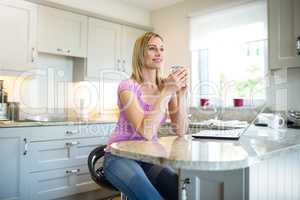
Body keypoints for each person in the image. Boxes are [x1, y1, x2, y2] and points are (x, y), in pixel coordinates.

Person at [103, 32, 188, 200]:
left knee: (178, 193)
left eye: (162, 49)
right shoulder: (127, 87)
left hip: (149, 157)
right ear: (141, 54)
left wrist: (181, 95)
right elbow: (146, 131)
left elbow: (180, 130)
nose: (159, 53)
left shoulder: (165, 86)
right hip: (119, 157)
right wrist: (167, 92)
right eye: (152, 48)